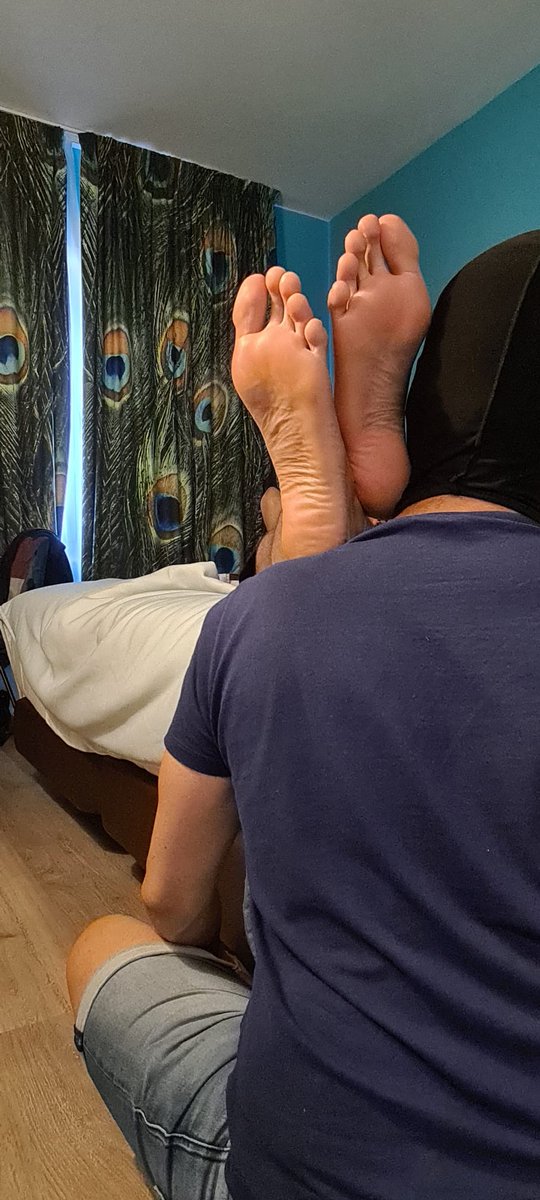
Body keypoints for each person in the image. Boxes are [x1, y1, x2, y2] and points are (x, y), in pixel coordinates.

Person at [66, 218, 540, 1200]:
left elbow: (173, 905)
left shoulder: (246, 622)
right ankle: (325, 525)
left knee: (101, 945)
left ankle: (314, 529)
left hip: (293, 1175)